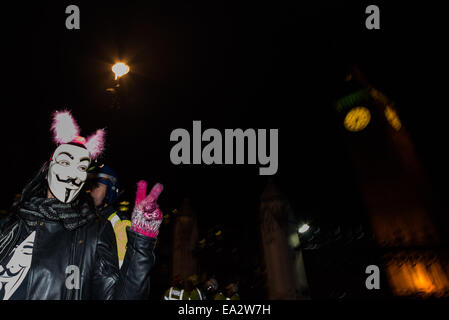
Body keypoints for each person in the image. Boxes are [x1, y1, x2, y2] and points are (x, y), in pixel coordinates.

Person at [0, 110, 164, 300]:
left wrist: (141, 241)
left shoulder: (93, 233)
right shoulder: (12, 222)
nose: (72, 174)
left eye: (81, 167)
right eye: (64, 162)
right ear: (46, 170)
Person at [88, 165, 131, 268]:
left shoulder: (119, 224)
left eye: (97, 186)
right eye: (89, 186)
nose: (90, 191)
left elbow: (123, 268)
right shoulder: (83, 219)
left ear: (110, 191)